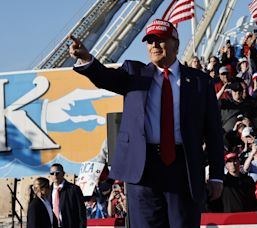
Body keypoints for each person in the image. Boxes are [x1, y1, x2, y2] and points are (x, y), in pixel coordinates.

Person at [69, 19, 224, 227]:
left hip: (183, 169)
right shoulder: (134, 74)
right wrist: (87, 59)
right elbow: (104, 77)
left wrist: (216, 176)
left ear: (175, 44)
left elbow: (213, 133)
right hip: (143, 169)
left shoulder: (200, 82)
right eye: (150, 41)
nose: (154, 46)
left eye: (160, 40)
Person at [48, 163, 86, 228]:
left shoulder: (74, 189)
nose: (55, 175)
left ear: (63, 173)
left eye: (57, 173)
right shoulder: (48, 190)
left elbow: (81, 212)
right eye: (52, 173)